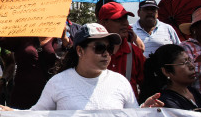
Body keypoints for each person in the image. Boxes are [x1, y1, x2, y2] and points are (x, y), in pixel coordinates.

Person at [20, 23, 162, 111]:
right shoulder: (57, 83)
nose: (106, 54)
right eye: (99, 48)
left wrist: (144, 111)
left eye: (110, 48)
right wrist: (7, 114)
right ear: (80, 51)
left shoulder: (120, 82)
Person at [0, 0, 58, 108]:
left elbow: (71, 59)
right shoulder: (23, 33)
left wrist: (65, 39)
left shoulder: (60, 34)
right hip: (23, 99)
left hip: (52, 99)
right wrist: (1, 5)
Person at [140, 44, 201, 114]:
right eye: (184, 63)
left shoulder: (194, 92)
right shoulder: (166, 101)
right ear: (166, 71)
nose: (191, 66)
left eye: (190, 61)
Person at [98, 1, 145, 97]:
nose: (125, 24)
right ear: (103, 23)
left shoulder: (134, 52)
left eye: (126, 18)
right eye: (118, 19)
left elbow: (146, 85)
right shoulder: (91, 53)